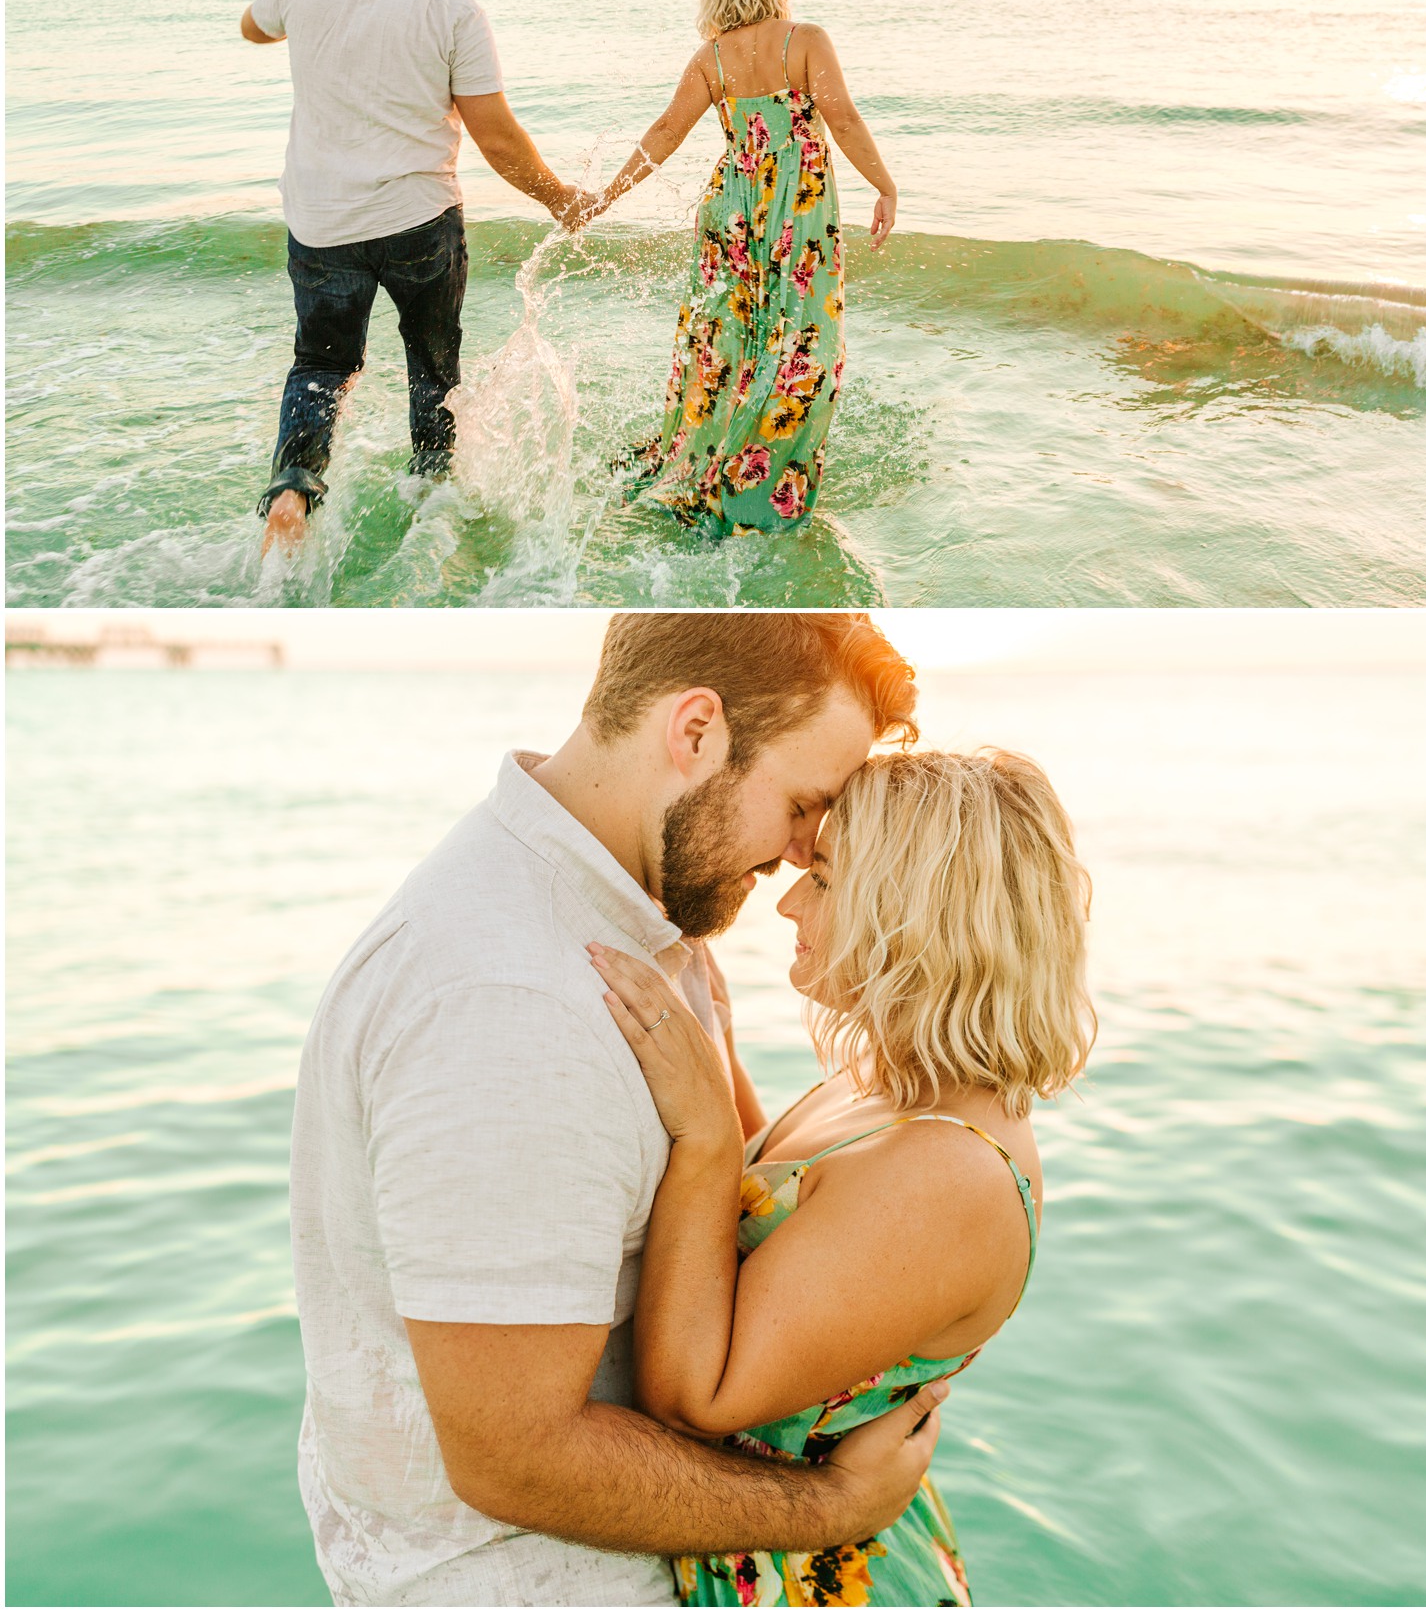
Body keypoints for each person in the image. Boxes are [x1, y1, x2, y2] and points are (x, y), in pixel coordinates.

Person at [289, 611, 955, 1607]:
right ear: (694, 730)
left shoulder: (636, 919)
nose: (805, 850)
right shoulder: (506, 1004)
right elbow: (514, 1457)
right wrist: (830, 1510)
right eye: (802, 802)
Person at [592, 746, 1097, 1606]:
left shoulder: (949, 1173)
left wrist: (706, 1130)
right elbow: (788, 1220)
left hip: (818, 1575)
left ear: (915, 915)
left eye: (822, 878)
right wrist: (720, 1058)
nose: (788, 899)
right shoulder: (897, 1081)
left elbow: (694, 1396)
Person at [240, 0, 584, 559]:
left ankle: (293, 487)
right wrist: (559, 199)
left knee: (320, 364)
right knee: (434, 370)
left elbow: (252, 26)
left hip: (322, 220)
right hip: (419, 221)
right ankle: (432, 500)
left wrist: (313, 27)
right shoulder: (453, 8)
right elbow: (497, 138)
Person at [585, 0, 899, 536]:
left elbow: (665, 131)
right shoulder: (805, 39)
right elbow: (845, 119)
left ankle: (707, 465)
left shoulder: (711, 58)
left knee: (722, 344)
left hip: (731, 208)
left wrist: (605, 196)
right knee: (804, 341)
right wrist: (884, 185)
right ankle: (763, 487)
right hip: (796, 210)